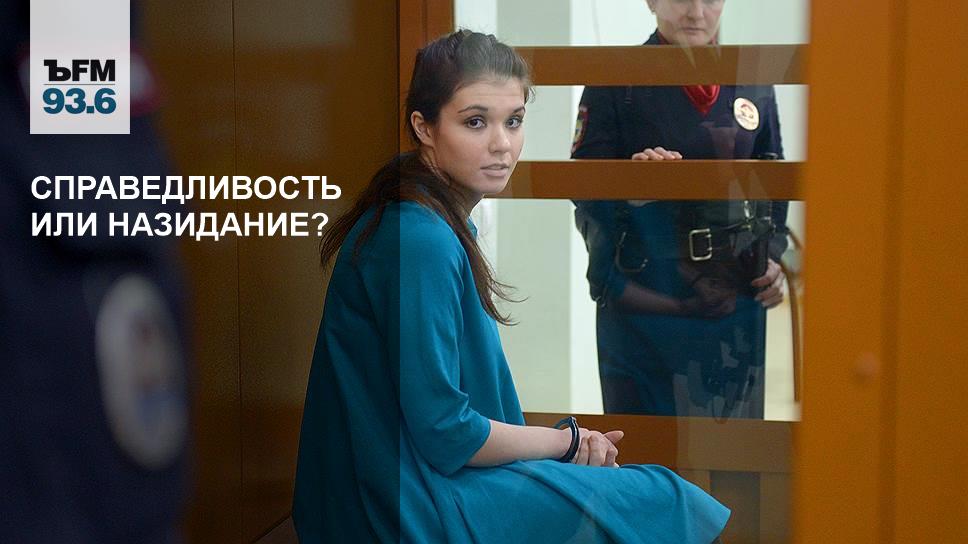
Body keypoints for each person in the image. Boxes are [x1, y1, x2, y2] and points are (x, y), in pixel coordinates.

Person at [293, 30, 728, 543]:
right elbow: (445, 432)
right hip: (398, 501)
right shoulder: (419, 237)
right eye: (475, 122)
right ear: (424, 126)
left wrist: (564, 445)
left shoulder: (426, 218)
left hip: (410, 481)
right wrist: (565, 442)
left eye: (514, 120)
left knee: (643, 497)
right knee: (666, 501)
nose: (501, 144)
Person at [571, 0, 789, 419]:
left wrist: (774, 256)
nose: (695, 12)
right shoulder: (616, 76)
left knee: (733, 444)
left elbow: (773, 176)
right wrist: (631, 186)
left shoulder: (749, 75)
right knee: (647, 442)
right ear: (651, 1)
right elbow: (581, 186)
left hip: (733, 292)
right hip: (648, 292)